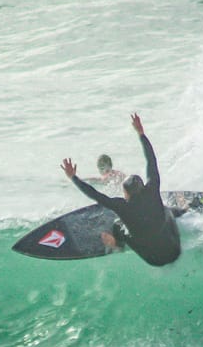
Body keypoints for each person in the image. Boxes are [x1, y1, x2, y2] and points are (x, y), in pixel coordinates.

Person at [61, 114, 181, 266]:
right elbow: (151, 160)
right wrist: (141, 134)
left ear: (127, 193)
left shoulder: (123, 206)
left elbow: (95, 195)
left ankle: (116, 244)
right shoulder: (152, 188)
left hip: (154, 260)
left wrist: (73, 178)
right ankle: (181, 211)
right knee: (166, 210)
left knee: (118, 225)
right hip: (175, 251)